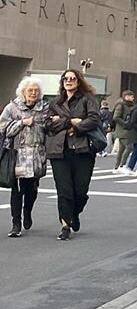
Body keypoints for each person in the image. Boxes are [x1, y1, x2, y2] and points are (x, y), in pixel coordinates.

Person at [46, 68, 102, 240]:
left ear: (79, 81)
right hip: (59, 151)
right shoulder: (55, 102)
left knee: (80, 191)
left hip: (83, 150)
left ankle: (74, 213)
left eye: (72, 78)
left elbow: (93, 120)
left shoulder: (88, 99)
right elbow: (48, 124)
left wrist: (75, 128)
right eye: (66, 79)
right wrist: (70, 122)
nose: (68, 81)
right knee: (64, 191)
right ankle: (65, 225)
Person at [0, 78, 49, 237]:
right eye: (30, 90)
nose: (33, 93)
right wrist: (21, 123)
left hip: (37, 155)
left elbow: (50, 128)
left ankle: (27, 211)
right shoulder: (12, 108)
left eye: (36, 90)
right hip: (17, 155)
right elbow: (3, 129)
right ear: (23, 92)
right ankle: (16, 224)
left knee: (31, 190)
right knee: (17, 191)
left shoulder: (45, 108)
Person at [112, 89, 135, 170]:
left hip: (125, 130)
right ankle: (122, 165)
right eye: (131, 96)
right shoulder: (121, 105)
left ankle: (117, 167)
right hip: (123, 130)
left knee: (121, 149)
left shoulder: (128, 105)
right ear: (126, 97)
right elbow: (116, 117)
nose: (133, 98)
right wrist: (125, 123)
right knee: (129, 147)